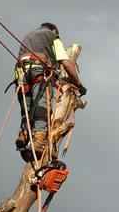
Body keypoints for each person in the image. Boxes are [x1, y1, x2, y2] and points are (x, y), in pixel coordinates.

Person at [14, 23, 86, 162]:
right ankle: (39, 140)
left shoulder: (29, 37)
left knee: (28, 110)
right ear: (54, 31)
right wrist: (79, 83)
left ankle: (24, 134)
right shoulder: (53, 37)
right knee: (42, 105)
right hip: (37, 71)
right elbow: (66, 62)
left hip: (21, 74)